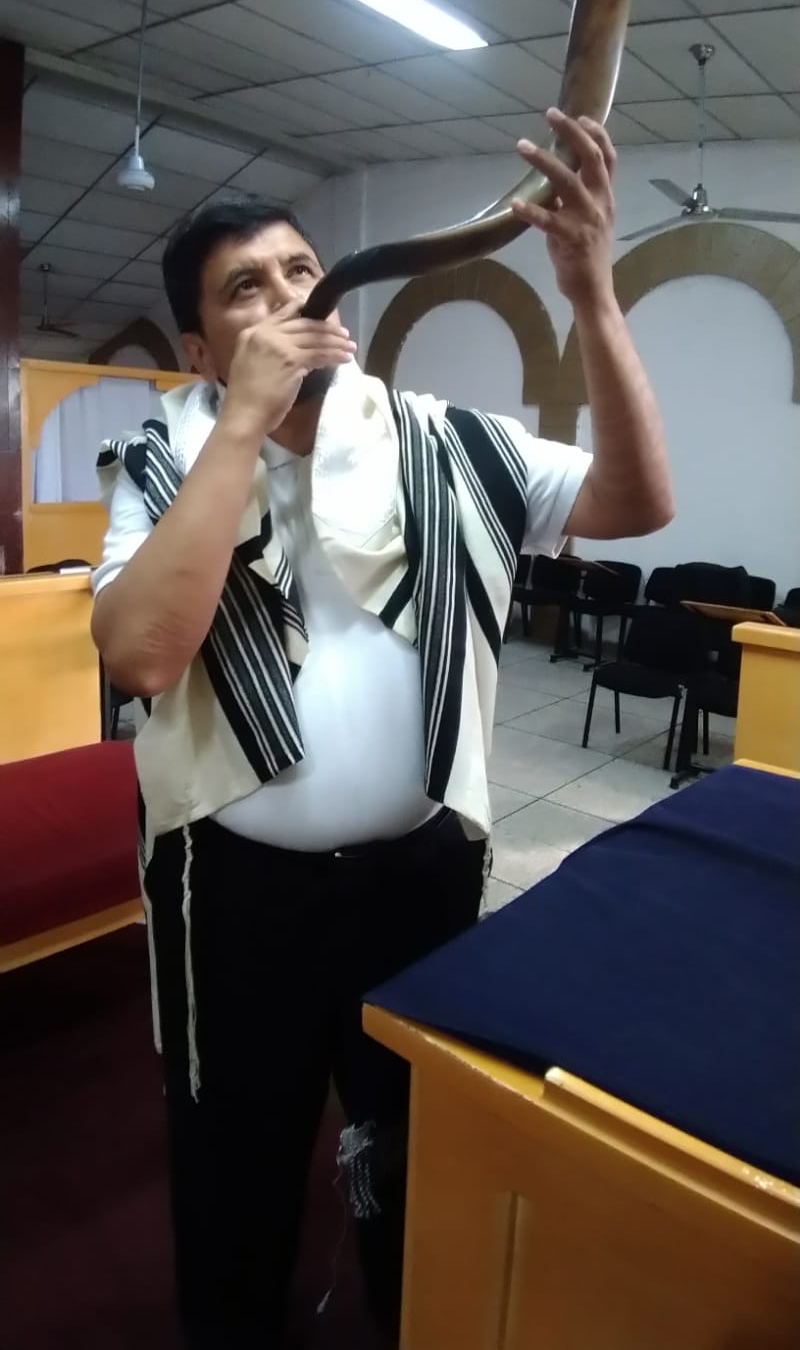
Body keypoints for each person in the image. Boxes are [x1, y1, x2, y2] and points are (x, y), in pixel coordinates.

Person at [91, 109, 673, 1349]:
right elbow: (140, 653)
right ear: (198, 347)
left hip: (420, 872)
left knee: (412, 1140)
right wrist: (241, 423)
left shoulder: (440, 439)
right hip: (230, 892)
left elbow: (635, 501)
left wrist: (591, 292)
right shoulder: (160, 459)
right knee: (234, 1150)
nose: (291, 295)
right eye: (246, 288)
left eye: (302, 269)